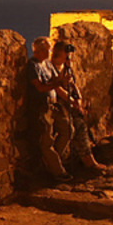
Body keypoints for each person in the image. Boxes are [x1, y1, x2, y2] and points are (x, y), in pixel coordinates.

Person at [50, 41, 106, 169]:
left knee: (81, 120)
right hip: (58, 104)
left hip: (70, 104)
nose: (69, 56)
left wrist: (78, 100)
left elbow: (74, 85)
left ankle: (83, 156)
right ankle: (87, 160)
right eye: (67, 53)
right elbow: (59, 90)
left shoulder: (66, 68)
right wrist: (72, 102)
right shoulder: (50, 68)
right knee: (78, 124)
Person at [27, 37, 71, 180]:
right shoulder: (32, 66)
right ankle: (57, 171)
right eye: (47, 49)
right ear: (39, 51)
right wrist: (55, 84)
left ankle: (52, 161)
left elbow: (56, 79)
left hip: (54, 105)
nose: (50, 52)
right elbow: (40, 87)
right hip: (41, 106)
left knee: (68, 130)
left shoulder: (47, 64)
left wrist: (64, 76)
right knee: (47, 141)